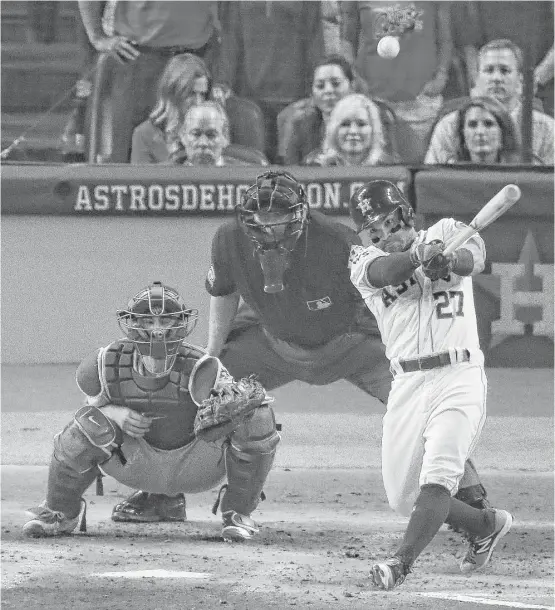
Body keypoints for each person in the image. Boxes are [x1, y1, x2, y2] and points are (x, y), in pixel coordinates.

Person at [111, 171, 491, 524]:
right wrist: (212, 355)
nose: (270, 224)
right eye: (262, 216)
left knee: (425, 403)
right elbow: (224, 291)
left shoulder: (335, 241)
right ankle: (163, 493)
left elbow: (384, 282)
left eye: (279, 215)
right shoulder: (229, 238)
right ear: (248, 218)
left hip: (352, 343)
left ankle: (473, 503)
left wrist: (433, 263)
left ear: (301, 215)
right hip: (273, 345)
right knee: (194, 388)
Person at [348, 180, 513, 589]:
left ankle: (399, 564)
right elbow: (384, 271)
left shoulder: (446, 230)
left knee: (437, 476)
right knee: (402, 498)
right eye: (375, 230)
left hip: (459, 376)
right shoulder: (362, 258)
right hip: (406, 384)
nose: (384, 234)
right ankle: (485, 525)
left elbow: (473, 259)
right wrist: (417, 257)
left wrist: (449, 260)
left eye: (389, 223)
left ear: (405, 214)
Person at [22, 281, 279, 541]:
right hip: (134, 462)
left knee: (256, 416)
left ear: (181, 323)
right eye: (148, 321)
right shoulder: (104, 364)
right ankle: (59, 512)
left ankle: (238, 514)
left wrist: (227, 411)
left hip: (195, 462)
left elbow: (239, 409)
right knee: (87, 425)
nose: (157, 330)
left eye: (166, 320)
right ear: (132, 323)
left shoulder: (203, 367)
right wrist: (115, 413)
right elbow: (91, 408)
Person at [77, 0, 221, 163]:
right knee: (129, 152)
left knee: (201, 149)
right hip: (140, 58)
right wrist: (97, 37)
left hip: (199, 57)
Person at [341, 1, 454, 162]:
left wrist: (441, 77)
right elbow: (346, 41)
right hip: (374, 104)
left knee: (420, 166)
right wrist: (355, 78)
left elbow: (445, 39)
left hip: (421, 104)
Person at [216, 1, 325, 163]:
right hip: (249, 100)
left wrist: (316, 86)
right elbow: (230, 38)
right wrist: (222, 83)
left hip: (293, 97)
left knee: (288, 167)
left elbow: (314, 40)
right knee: (254, 167)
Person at [425, 39, 554, 165]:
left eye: (504, 70)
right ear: (477, 78)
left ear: (521, 80)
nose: (496, 78)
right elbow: (430, 181)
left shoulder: (546, 129)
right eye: (489, 70)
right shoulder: (448, 127)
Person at [278, 54, 367, 165]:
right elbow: (290, 171)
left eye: (336, 84)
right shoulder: (300, 124)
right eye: (320, 86)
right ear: (312, 92)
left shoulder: (371, 120)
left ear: (352, 86)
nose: (328, 91)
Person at [131, 53, 214, 164]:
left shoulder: (213, 130)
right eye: (191, 94)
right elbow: (138, 179)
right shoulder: (144, 134)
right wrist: (178, 160)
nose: (199, 102)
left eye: (203, 94)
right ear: (173, 93)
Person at [303, 93, 398, 166]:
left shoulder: (390, 168)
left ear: (374, 130)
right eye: (345, 124)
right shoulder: (314, 167)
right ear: (334, 131)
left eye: (361, 124)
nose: (353, 131)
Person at [430, 96, 520, 165]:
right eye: (472, 125)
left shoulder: (519, 176)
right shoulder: (447, 177)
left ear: (503, 134)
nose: (480, 132)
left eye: (488, 124)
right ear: (462, 135)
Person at [170, 101, 263, 167]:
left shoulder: (248, 177)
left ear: (225, 137)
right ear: (183, 136)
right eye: (196, 134)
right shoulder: (164, 175)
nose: (203, 143)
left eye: (211, 135)